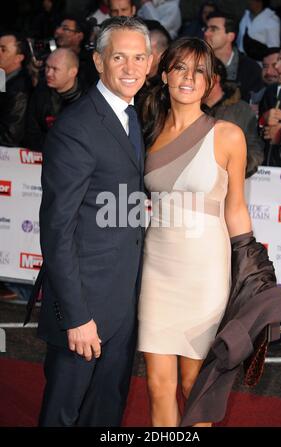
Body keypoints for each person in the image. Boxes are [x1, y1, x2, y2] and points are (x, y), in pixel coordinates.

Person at [37, 16, 153, 427]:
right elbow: (56, 229)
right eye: (119, 57)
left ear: (151, 61)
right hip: (84, 307)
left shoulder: (131, 115)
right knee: (63, 415)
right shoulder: (77, 126)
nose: (130, 67)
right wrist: (76, 316)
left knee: (105, 411)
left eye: (139, 57)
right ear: (99, 62)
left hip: (122, 299)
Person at [137, 37, 252, 427]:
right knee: (157, 385)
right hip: (157, 268)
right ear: (165, 74)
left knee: (193, 384)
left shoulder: (228, 135)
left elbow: (235, 209)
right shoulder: (146, 132)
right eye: (181, 68)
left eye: (199, 70)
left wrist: (252, 270)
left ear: (210, 82)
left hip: (205, 271)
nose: (189, 77)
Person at [25, 48, 84, 152]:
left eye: (55, 69)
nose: (48, 73)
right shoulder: (41, 90)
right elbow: (31, 130)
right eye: (47, 67)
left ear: (73, 72)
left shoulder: (87, 100)